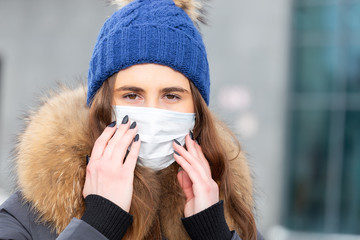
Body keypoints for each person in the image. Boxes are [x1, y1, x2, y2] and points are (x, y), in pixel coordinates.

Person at [0, 0, 263, 239]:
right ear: (103, 104)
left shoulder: (231, 214)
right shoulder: (25, 218)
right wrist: (98, 223)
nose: (153, 113)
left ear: (196, 110)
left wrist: (213, 232)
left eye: (171, 96)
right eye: (132, 95)